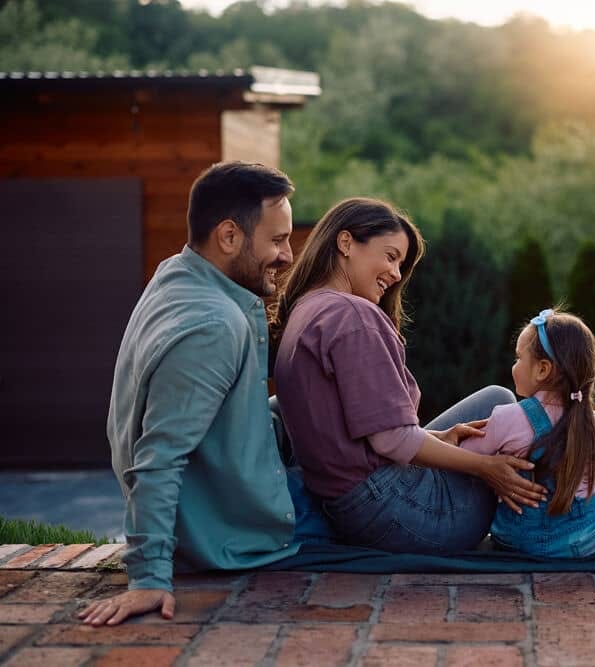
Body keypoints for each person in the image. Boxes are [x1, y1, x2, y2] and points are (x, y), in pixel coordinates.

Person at [79, 162, 300, 626]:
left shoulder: (178, 276)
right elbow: (157, 459)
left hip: (230, 501)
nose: (288, 255)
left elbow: (224, 419)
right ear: (228, 237)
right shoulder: (214, 325)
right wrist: (149, 578)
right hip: (235, 531)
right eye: (277, 240)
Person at [271, 197, 547, 554]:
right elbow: (392, 443)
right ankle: (568, 521)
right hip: (391, 510)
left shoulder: (306, 309)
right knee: (508, 418)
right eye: (390, 256)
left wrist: (439, 437)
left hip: (350, 500)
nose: (397, 275)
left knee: (494, 400)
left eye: (401, 264)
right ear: (345, 243)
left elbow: (368, 436)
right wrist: (485, 467)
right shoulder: (352, 317)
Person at [461, 308, 595, 558]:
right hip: (583, 542)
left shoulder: (506, 418)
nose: (514, 365)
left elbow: (464, 458)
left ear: (542, 369)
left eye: (518, 358)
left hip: (518, 540)